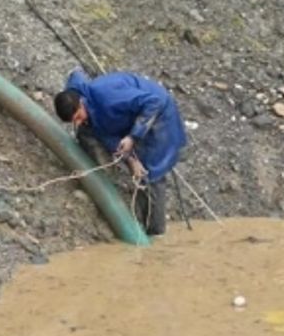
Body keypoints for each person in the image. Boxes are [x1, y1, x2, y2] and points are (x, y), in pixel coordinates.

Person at [53, 68, 186, 236]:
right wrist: (130, 159)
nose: (78, 122)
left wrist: (133, 137)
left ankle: (155, 233)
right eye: (74, 121)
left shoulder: (108, 97)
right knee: (86, 133)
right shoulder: (80, 100)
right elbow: (106, 135)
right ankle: (108, 178)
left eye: (78, 117)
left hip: (158, 116)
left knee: (149, 175)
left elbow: (154, 102)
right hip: (123, 118)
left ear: (81, 103)